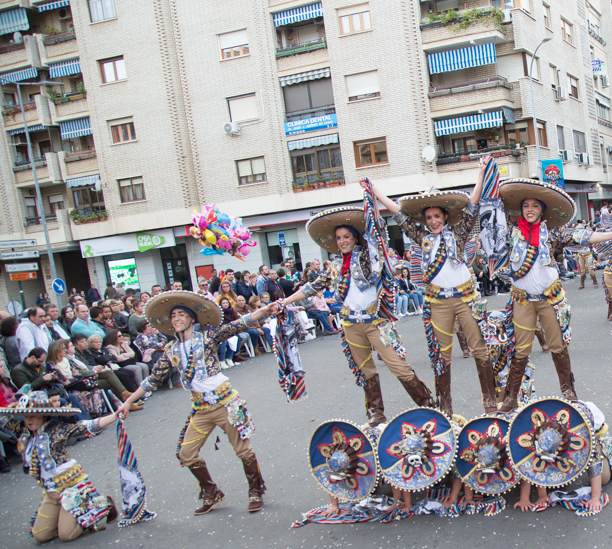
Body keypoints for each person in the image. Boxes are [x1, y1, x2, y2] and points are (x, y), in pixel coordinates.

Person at [116, 290, 279, 514]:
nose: (176, 319)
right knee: (186, 454)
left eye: (181, 314)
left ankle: (255, 491)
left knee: (243, 450)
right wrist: (127, 402)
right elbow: (152, 379)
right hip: (200, 409)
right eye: (173, 316)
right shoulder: (171, 349)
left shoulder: (207, 336)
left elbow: (239, 324)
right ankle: (212, 493)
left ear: (192, 318)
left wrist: (264, 309)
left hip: (225, 402)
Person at [283, 205, 435, 424]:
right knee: (365, 370)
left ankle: (427, 405)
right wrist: (285, 301)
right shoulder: (336, 266)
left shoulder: (369, 257)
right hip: (350, 324)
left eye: (347, 236)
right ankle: (376, 414)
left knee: (397, 364)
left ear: (355, 238)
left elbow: (378, 240)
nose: (343, 241)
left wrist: (371, 206)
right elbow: (311, 287)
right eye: (338, 238)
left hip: (377, 323)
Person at [493, 179, 612, 412]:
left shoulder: (553, 233)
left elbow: (584, 237)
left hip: (549, 298)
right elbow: (492, 211)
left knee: (557, 346)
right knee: (521, 349)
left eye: (535, 206)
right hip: (522, 300)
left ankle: (568, 390)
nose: (529, 209)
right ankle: (511, 397)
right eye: (525, 205)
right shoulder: (511, 232)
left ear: (542, 210)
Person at [373, 187, 496, 416]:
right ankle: (445, 406)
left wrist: (480, 175)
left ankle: (489, 399)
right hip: (437, 302)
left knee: (479, 347)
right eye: (429, 218)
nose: (433, 221)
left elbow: (472, 205)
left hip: (465, 298)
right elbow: (399, 215)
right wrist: (377, 193)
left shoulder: (459, 232)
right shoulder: (422, 238)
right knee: (441, 354)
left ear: (445, 216)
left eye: (437, 216)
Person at [3, 391, 120, 543]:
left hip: (71, 488)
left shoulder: (57, 429)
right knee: (40, 535)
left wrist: (115, 416)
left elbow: (85, 427)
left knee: (67, 534)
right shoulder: (25, 433)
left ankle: (102, 504)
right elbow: (5, 422)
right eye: (26, 416)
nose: (28, 420)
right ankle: (65, 515)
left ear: (43, 416)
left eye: (33, 416)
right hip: (51, 492)